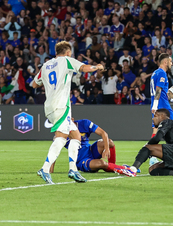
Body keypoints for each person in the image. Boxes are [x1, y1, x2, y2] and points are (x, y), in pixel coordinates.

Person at [31, 41, 105, 184]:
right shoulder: (66, 60)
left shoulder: (46, 65)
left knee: (76, 136)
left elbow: (35, 84)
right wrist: (98, 67)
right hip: (61, 106)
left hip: (50, 106)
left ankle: (73, 169)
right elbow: (84, 68)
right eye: (70, 53)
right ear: (67, 52)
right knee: (61, 136)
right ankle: (45, 169)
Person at [49, 118, 134, 176]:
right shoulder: (61, 134)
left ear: (72, 119)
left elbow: (103, 133)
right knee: (102, 163)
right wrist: (50, 170)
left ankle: (114, 166)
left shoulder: (84, 123)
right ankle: (124, 168)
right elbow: (55, 151)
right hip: (81, 160)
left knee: (109, 142)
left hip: (91, 150)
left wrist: (107, 149)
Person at [128, 109, 173, 177]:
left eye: (155, 116)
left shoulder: (166, 121)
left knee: (148, 148)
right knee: (152, 169)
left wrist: (146, 146)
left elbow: (157, 138)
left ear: (161, 116)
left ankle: (133, 169)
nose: (153, 119)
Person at [150, 53, 173, 137]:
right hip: (162, 105)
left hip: (157, 103)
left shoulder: (155, 72)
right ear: (165, 62)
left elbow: (162, 92)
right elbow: (158, 90)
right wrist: (155, 106)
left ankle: (151, 149)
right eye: (170, 61)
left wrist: (172, 100)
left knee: (156, 129)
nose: (171, 64)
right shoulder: (162, 73)